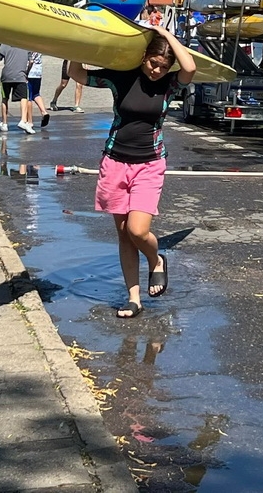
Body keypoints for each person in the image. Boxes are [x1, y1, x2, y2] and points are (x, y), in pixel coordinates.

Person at [66, 28, 197, 318]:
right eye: (153, 63)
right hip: (115, 162)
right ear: (143, 57)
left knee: (138, 230)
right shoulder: (120, 76)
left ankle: (157, 260)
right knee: (124, 235)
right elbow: (77, 73)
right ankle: (134, 299)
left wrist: (163, 32)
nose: (156, 71)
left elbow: (189, 67)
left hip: (150, 164)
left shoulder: (170, 85)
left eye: (163, 67)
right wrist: (75, 41)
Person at [0, 44, 34, 133]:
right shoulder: (25, 45)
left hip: (6, 76)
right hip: (20, 75)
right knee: (24, 97)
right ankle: (23, 120)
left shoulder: (4, 45)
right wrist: (27, 72)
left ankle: (4, 124)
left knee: (5, 98)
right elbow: (31, 61)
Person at [24, 50, 50, 128]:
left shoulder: (27, 46)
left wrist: (26, 72)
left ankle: (30, 121)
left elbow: (30, 61)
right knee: (36, 94)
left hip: (30, 72)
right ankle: (44, 112)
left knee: (29, 97)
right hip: (38, 71)